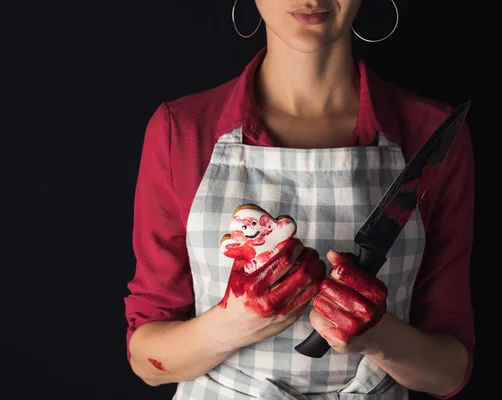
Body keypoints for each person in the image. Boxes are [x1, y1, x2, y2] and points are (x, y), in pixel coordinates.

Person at [124, 1, 475, 399]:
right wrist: (232, 323)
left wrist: (378, 335)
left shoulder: (432, 134)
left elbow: (449, 371)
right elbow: (146, 361)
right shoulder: (181, 132)